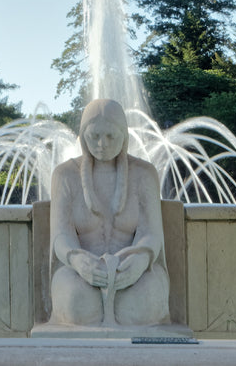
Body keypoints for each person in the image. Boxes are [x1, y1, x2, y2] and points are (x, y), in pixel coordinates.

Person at [49, 98, 170, 327]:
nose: (102, 144)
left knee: (140, 307)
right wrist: (77, 260)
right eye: (94, 136)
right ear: (83, 136)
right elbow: (60, 235)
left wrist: (141, 260)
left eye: (110, 136)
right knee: (79, 305)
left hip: (135, 270)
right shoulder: (65, 175)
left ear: (123, 135)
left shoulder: (144, 174)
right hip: (78, 272)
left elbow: (152, 233)